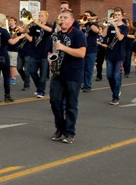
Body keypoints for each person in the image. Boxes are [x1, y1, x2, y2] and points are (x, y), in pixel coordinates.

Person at [49, 9, 86, 144]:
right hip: (58, 73)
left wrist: (63, 48)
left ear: (71, 20)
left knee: (71, 105)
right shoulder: (56, 35)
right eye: (60, 17)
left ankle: (70, 133)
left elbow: (82, 53)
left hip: (73, 74)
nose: (62, 20)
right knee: (54, 101)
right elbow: (50, 52)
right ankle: (60, 128)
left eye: (65, 18)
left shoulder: (78, 35)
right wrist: (50, 59)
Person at [26, 10, 53, 98]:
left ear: (46, 17)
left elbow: (50, 30)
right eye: (39, 15)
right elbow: (24, 31)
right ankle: (39, 88)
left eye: (41, 15)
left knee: (43, 75)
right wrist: (26, 24)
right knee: (32, 71)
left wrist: (38, 24)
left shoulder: (49, 26)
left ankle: (41, 91)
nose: (39, 17)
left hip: (44, 54)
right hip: (34, 53)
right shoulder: (35, 27)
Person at [104, 7, 128, 106]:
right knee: (109, 76)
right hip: (110, 54)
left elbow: (121, 37)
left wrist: (116, 26)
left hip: (119, 55)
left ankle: (115, 97)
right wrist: (108, 25)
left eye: (118, 15)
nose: (116, 16)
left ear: (122, 16)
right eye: (115, 15)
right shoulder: (111, 26)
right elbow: (103, 34)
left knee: (116, 77)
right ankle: (115, 90)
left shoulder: (124, 27)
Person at [81, 11, 100, 92]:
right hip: (82, 49)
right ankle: (82, 84)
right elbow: (78, 33)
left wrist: (90, 22)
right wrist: (81, 26)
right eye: (85, 15)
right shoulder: (82, 24)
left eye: (87, 15)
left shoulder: (94, 24)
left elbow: (96, 31)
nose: (86, 17)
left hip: (91, 49)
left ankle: (87, 85)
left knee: (89, 69)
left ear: (91, 17)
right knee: (81, 68)